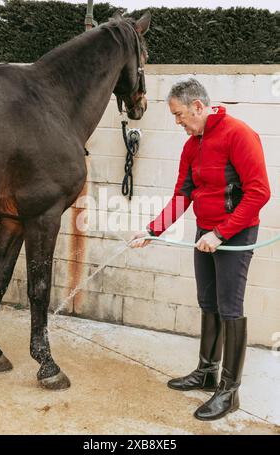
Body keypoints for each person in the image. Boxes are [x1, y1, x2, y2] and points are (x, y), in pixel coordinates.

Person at [130, 78, 271, 421]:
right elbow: (183, 193)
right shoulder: (193, 143)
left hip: (235, 233)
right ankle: (207, 372)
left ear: (197, 106)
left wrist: (221, 233)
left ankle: (229, 391)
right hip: (206, 233)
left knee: (229, 308)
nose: (177, 121)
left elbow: (259, 192)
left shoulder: (239, 134)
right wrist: (152, 230)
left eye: (179, 114)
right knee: (207, 302)